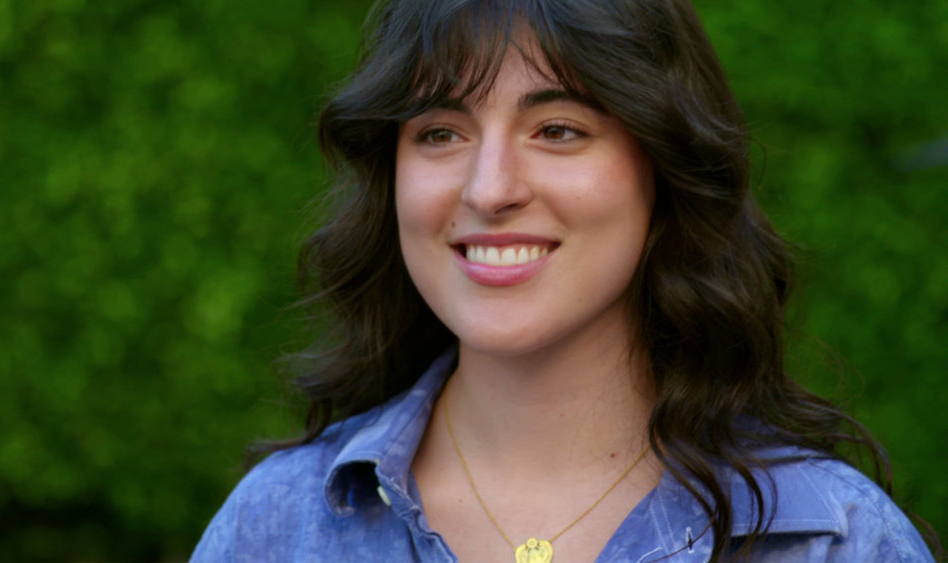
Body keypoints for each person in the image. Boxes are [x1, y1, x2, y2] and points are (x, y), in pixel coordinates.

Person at [191, 0, 937, 561]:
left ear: (663, 168)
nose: (489, 189)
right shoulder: (277, 528)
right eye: (440, 133)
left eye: (558, 130)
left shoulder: (833, 541)